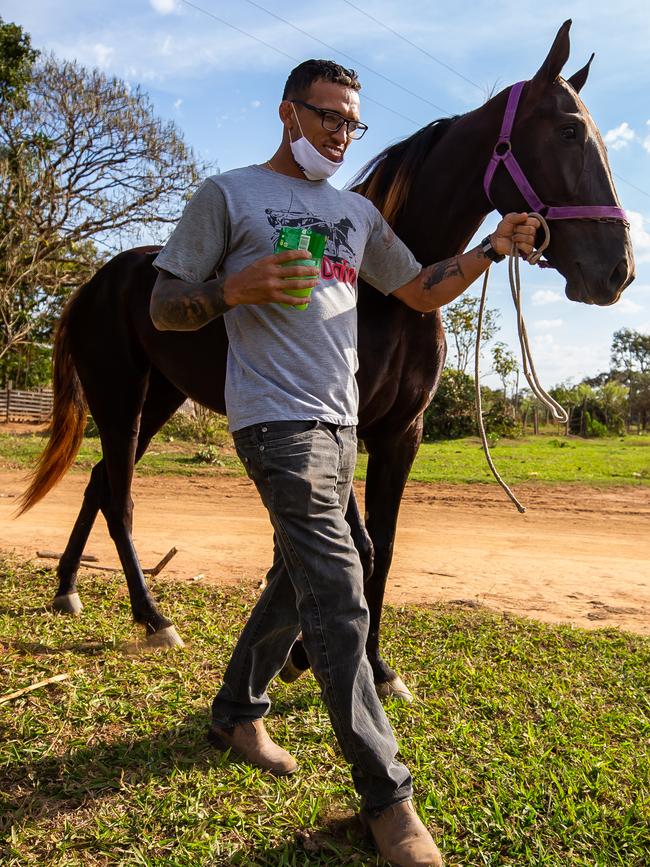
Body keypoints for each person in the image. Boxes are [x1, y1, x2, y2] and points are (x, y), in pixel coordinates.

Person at [150, 59, 538, 867]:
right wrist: (233, 288)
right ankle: (388, 801)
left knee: (328, 565)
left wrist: (490, 249)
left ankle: (235, 709)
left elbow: (421, 289)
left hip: (338, 425)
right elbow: (165, 303)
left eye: (351, 123)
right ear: (289, 113)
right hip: (274, 422)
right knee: (340, 590)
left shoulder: (355, 215)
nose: (340, 133)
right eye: (327, 117)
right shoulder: (230, 194)